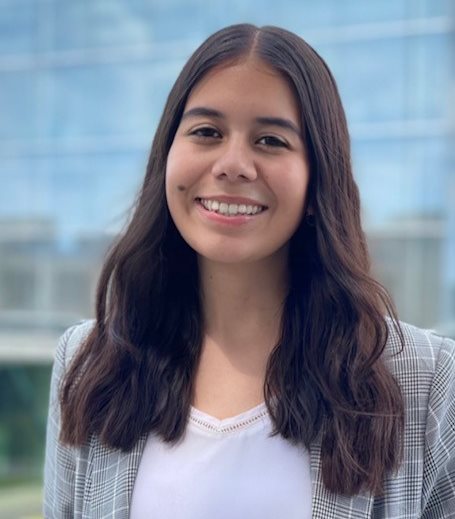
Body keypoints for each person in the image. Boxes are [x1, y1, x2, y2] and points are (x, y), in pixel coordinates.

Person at [43, 24, 455, 518]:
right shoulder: (89, 362)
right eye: (207, 132)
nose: (233, 164)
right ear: (166, 159)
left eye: (270, 140)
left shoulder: (428, 381)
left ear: (317, 179)